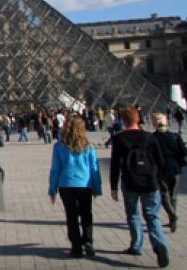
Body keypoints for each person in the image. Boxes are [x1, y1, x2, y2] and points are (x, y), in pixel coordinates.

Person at [110, 107, 169, 268]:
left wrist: (113, 187)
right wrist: (158, 179)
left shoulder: (119, 139)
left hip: (129, 182)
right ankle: (159, 244)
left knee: (133, 215)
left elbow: (115, 165)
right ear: (138, 119)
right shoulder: (149, 137)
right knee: (152, 216)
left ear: (123, 120)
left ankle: (136, 246)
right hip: (150, 182)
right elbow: (160, 161)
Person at [48, 115, 102, 258]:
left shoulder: (58, 146)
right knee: (86, 214)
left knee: (71, 217)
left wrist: (52, 189)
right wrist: (97, 188)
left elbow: (55, 170)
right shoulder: (89, 147)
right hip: (85, 185)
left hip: (66, 185)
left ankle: (76, 247)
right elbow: (94, 169)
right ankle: (88, 241)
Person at [152, 113, 187, 233]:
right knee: (173, 196)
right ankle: (173, 219)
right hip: (175, 168)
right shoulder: (174, 136)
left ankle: (171, 214)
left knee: (163, 195)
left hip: (160, 170)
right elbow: (184, 151)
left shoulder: (152, 138)